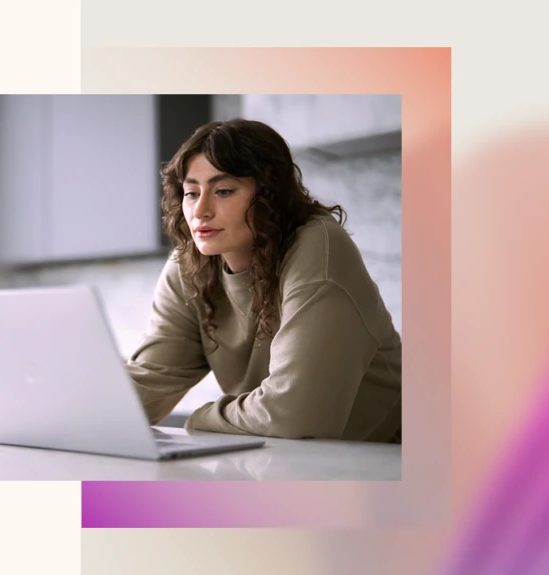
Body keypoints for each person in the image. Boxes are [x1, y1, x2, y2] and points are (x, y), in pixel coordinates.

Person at [126, 118, 402, 443]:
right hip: (288, 461)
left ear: (269, 194)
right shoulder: (189, 265)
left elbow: (296, 414)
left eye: (224, 191)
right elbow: (149, 384)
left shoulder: (317, 245)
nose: (200, 210)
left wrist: (202, 418)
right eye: (190, 193)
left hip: (392, 460)